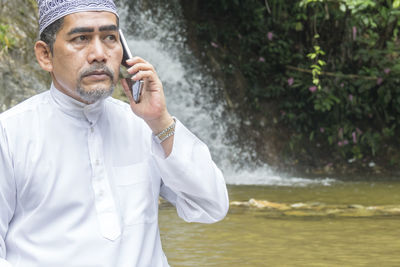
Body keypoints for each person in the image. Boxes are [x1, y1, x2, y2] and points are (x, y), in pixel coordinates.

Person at [0, 0, 229, 266]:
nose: (99, 53)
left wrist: (160, 121)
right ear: (45, 55)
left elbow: (211, 206)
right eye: (81, 38)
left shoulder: (144, 125)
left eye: (109, 37)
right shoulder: (9, 134)